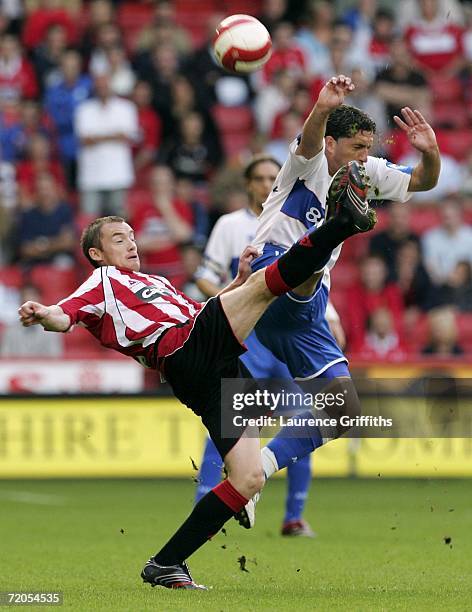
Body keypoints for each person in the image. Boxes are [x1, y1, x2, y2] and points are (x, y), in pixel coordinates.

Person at [19, 159, 376, 590]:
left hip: (206, 366)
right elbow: (65, 314)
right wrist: (43, 313)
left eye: (132, 237)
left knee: (248, 479)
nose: (131, 244)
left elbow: (205, 312)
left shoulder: (157, 284)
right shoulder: (103, 281)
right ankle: (340, 224)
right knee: (266, 287)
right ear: (97, 254)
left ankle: (166, 563)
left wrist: (238, 282)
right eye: (118, 239)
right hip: (184, 350)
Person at [237, 74, 440, 526]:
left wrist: (430, 151)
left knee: (343, 408)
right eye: (356, 148)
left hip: (306, 305)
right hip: (270, 271)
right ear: (332, 145)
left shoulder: (367, 173)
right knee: (309, 259)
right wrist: (322, 107)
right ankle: (330, 237)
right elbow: (310, 138)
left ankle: (257, 472)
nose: (364, 158)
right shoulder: (305, 163)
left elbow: (424, 182)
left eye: (369, 148)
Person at [195, 154, 341, 537]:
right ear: (248, 184)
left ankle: (293, 516)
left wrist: (333, 320)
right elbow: (206, 278)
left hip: (290, 336)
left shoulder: (297, 222)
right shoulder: (231, 226)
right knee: (231, 421)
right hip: (251, 338)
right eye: (258, 177)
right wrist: (244, 295)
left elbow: (316, 282)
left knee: (304, 419)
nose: (265, 184)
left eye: (272, 177)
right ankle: (207, 500)